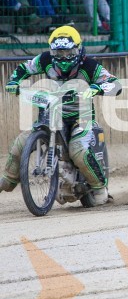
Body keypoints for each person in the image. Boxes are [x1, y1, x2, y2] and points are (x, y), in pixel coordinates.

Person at [0, 25, 121, 205]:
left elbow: (115, 84)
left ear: (78, 49)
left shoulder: (89, 66)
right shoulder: (45, 60)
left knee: (77, 149)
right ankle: (8, 180)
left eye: (68, 52)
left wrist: (97, 88)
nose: (63, 57)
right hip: (51, 112)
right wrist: (14, 81)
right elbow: (25, 67)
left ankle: (99, 187)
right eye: (58, 53)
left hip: (80, 116)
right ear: (51, 51)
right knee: (20, 143)